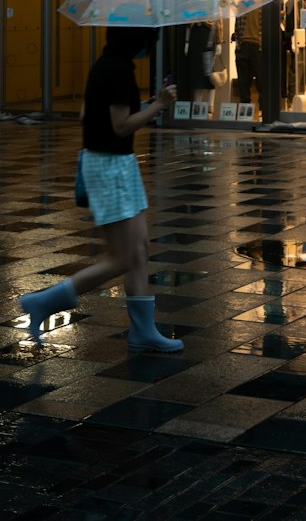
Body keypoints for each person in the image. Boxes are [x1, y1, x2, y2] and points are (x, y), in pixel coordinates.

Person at [19, 26, 183, 354]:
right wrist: (159, 105)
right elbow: (120, 126)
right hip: (110, 168)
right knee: (122, 257)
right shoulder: (118, 70)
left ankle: (143, 331)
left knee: (138, 249)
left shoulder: (106, 65)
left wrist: (146, 102)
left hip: (116, 165)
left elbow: (87, 113)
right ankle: (44, 302)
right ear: (137, 41)